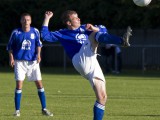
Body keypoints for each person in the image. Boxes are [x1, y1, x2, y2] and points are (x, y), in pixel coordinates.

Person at [41, 10, 132, 120]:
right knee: (95, 35)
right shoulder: (63, 33)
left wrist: (94, 28)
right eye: (75, 18)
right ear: (69, 23)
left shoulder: (85, 27)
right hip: (80, 59)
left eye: (78, 16)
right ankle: (122, 41)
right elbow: (45, 36)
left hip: (92, 61)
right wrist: (47, 18)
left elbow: (104, 29)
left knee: (102, 97)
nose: (78, 19)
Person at [7, 13, 53, 117]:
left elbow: (39, 44)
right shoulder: (16, 32)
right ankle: (17, 111)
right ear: (21, 21)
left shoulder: (35, 31)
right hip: (19, 62)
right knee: (19, 85)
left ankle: (44, 109)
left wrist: (39, 55)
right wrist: (11, 58)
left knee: (39, 84)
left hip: (33, 62)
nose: (26, 21)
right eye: (24, 20)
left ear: (30, 21)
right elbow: (10, 47)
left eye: (28, 20)